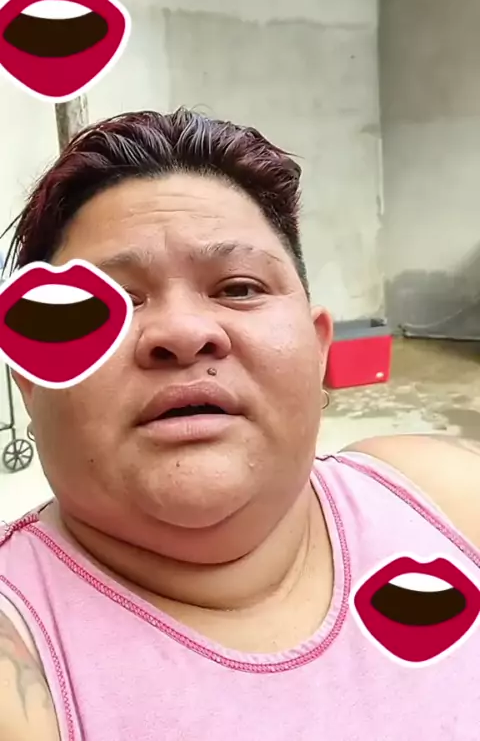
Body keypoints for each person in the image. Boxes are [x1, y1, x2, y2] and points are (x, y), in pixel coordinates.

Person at [0, 108, 479, 741]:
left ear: (318, 348)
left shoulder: (441, 496)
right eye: (114, 302)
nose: (183, 332)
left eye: (239, 288)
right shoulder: (20, 661)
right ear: (33, 378)